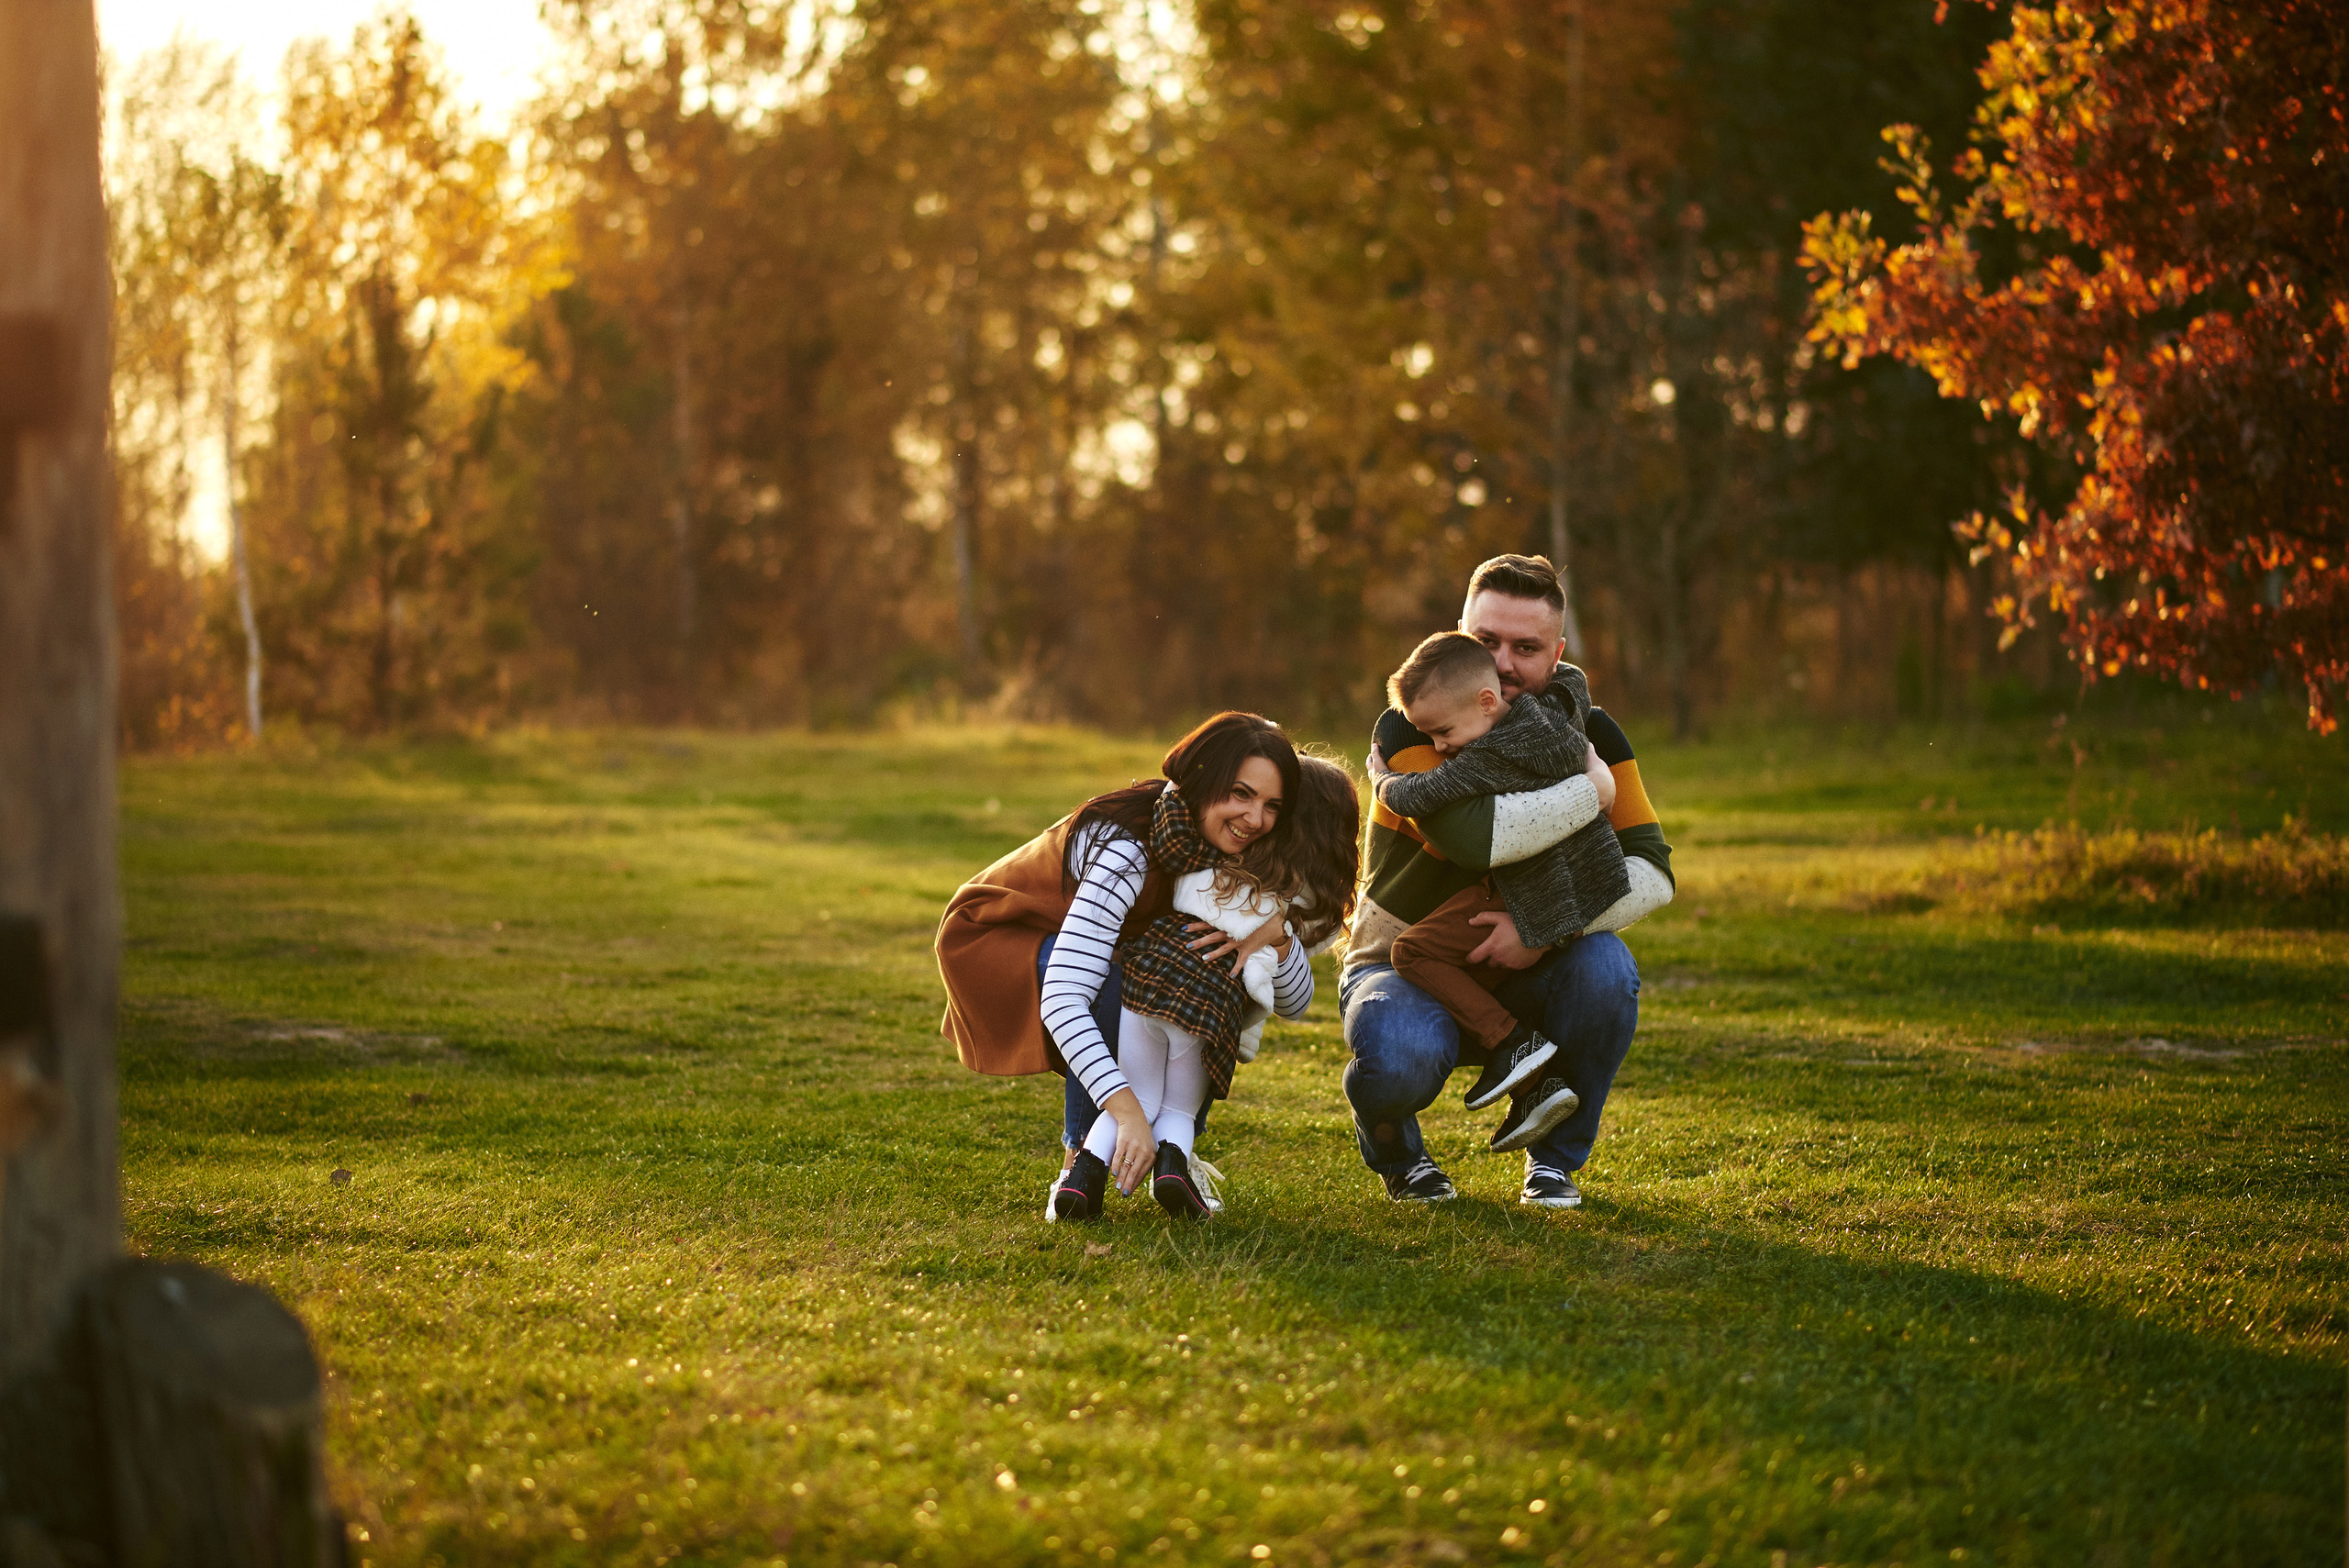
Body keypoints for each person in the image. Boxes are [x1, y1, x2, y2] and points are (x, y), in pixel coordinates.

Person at [1342, 554, 1675, 1208]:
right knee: (1398, 1051)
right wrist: (1592, 790)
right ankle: (1401, 1158)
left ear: (1557, 655)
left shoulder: (1593, 731)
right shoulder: (1413, 721)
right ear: (1458, 629)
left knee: (1606, 968)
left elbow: (1654, 873)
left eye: (1525, 648)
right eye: (1486, 639)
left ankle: (1553, 1163)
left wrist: (1542, 925)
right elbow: (1472, 838)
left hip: (1526, 964)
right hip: (1402, 965)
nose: (1502, 663)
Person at [936, 712, 1306, 1218]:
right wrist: (1125, 1106)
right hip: (1001, 939)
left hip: (1087, 947)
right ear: (1202, 780)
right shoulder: (1128, 851)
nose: (1256, 819)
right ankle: (1081, 1160)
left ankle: (1172, 1152)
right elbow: (1065, 995)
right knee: (1121, 983)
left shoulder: (1232, 854)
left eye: (1271, 805)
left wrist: (1275, 936)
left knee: (1197, 972)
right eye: (1240, 794)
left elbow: (1292, 1000)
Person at [1061, 755, 1361, 1220]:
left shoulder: (1213, 858)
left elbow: (1173, 831)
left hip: (1147, 990)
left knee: (1136, 1096)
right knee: (1178, 1108)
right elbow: (1296, 1006)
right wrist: (1276, 934)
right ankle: (1173, 1173)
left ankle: (1082, 1179)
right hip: (1209, 1013)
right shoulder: (1303, 903)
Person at [1372, 631, 1631, 1154]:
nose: (1441, 746)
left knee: (1412, 950)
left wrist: (1380, 780)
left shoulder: (1493, 751)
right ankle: (1540, 1087)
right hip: (1576, 881)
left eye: (1443, 733)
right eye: (1488, 640)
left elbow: (1426, 793)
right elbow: (1574, 684)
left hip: (1528, 889)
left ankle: (1513, 1044)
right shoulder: (1559, 716)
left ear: (1486, 702)